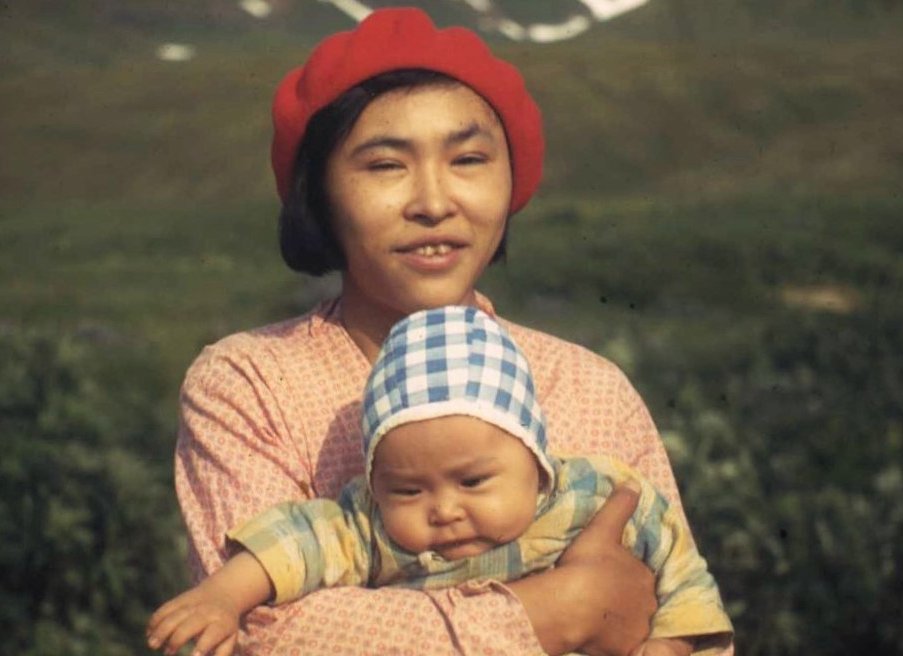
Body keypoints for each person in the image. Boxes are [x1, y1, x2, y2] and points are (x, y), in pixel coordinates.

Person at [172, 7, 735, 656]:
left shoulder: (589, 388)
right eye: (386, 166)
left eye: (468, 159)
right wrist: (564, 610)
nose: (435, 203)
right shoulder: (249, 383)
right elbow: (257, 637)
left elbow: (684, 614)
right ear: (318, 193)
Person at [150, 306, 733, 656]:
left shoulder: (590, 495)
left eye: (474, 481)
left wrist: (670, 643)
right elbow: (297, 543)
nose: (444, 509)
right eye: (408, 490)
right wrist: (224, 597)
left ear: (535, 462)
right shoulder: (373, 531)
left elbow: (682, 574)